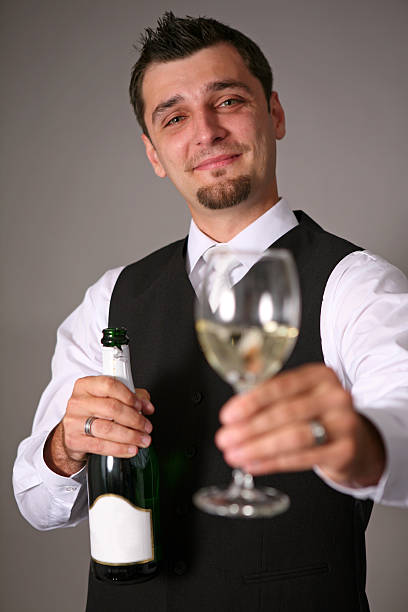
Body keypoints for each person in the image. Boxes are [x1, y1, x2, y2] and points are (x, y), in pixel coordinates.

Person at [13, 11, 408, 612]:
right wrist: (65, 449)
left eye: (227, 101)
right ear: (153, 153)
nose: (206, 131)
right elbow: (35, 504)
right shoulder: (110, 296)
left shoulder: (357, 285)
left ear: (273, 114)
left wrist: (360, 443)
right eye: (174, 117)